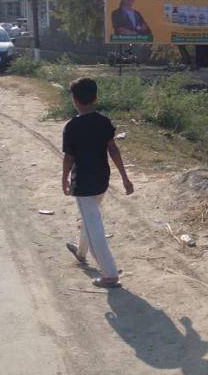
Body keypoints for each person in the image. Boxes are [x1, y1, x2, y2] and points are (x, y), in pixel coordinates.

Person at [62, 77, 134, 288]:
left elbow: (69, 158)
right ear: (95, 98)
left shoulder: (72, 126)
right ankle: (81, 252)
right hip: (102, 179)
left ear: (74, 100)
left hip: (83, 183)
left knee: (93, 224)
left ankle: (110, 274)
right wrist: (125, 178)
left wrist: (64, 178)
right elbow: (113, 149)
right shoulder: (104, 122)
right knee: (90, 217)